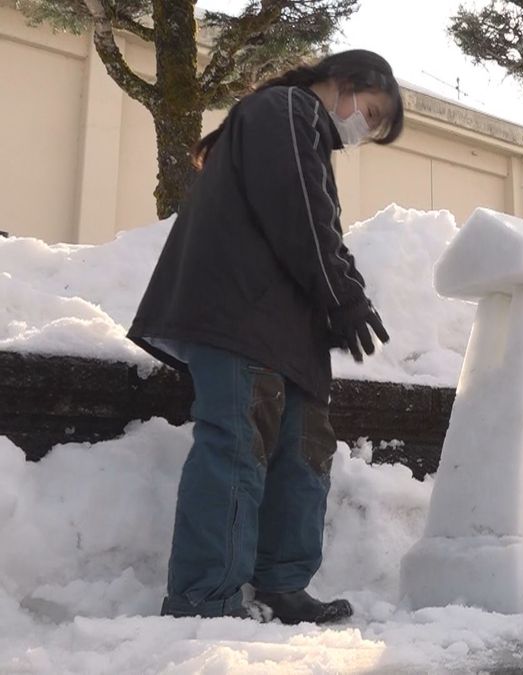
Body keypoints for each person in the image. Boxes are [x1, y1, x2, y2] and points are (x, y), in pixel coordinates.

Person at [128, 49, 403, 623]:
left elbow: (317, 224)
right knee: (235, 448)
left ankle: (282, 584)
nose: (363, 131)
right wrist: (345, 297)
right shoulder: (286, 109)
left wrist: (342, 302)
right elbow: (300, 213)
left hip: (288, 328)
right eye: (371, 114)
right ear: (346, 83)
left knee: (307, 452)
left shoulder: (302, 130)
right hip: (240, 313)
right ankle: (204, 596)